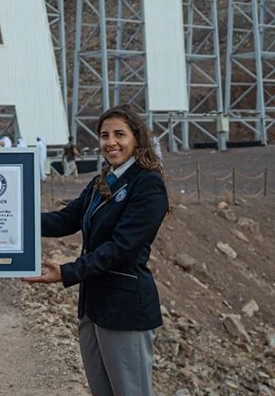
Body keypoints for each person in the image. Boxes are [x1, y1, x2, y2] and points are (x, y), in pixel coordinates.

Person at [24, 105, 169, 396]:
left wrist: (68, 272)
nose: (110, 142)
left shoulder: (148, 184)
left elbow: (121, 247)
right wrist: (15, 222)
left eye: (119, 134)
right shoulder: (102, 181)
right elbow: (67, 219)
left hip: (124, 310)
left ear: (136, 138)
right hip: (94, 307)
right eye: (104, 135)